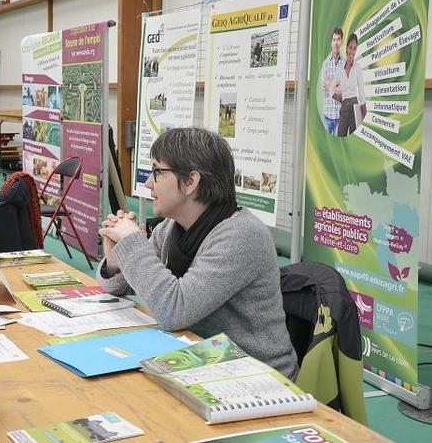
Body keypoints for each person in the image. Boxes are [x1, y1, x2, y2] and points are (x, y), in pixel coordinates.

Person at [97, 127, 298, 380]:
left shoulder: (242, 235)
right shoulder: (172, 227)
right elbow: (117, 287)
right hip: (199, 359)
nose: (148, 183)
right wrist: (116, 261)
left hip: (254, 376)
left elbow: (174, 310)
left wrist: (132, 242)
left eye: (158, 172)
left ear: (191, 181)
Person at [331, 33, 366, 137]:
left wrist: (364, 111)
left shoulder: (358, 68)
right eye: (350, 47)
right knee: (340, 138)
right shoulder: (340, 69)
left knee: (353, 140)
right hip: (344, 108)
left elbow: (361, 91)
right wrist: (340, 99)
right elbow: (331, 90)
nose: (352, 51)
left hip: (355, 108)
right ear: (346, 48)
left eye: (354, 49)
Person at [320, 27, 344, 136]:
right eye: (334, 40)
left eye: (338, 39)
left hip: (341, 116)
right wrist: (337, 84)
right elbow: (323, 84)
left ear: (341, 42)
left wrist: (331, 84)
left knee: (338, 148)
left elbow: (345, 88)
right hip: (327, 116)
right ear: (331, 43)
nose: (336, 43)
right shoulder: (325, 63)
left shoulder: (345, 63)